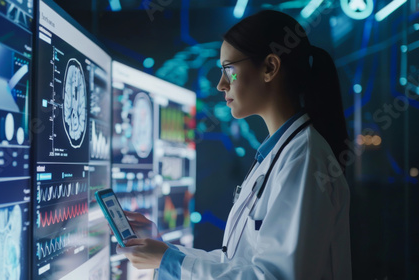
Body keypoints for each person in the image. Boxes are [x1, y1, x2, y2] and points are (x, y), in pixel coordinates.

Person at [116, 10, 352, 279]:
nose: (220, 84)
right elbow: (237, 262)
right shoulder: (279, 153)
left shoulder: (304, 158)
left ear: (269, 68)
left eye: (229, 70)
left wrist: (169, 260)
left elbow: (272, 277)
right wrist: (164, 252)